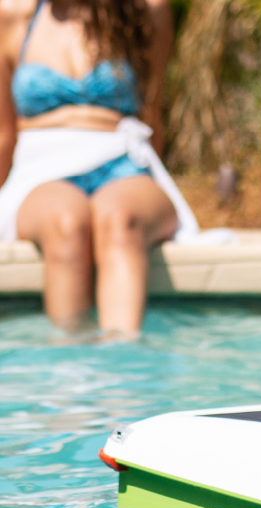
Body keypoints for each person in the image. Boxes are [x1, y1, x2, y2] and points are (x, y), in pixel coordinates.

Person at [0, 0, 193, 335]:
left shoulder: (146, 10)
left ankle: (122, 357)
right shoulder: (12, 15)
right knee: (66, 223)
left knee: (121, 221)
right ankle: (70, 358)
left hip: (123, 159)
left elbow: (152, 115)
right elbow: (4, 133)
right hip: (40, 167)